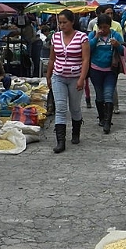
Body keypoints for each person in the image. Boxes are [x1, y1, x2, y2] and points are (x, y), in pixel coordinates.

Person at [46, 9, 90, 153]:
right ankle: (60, 141)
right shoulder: (55, 37)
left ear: (72, 22)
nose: (62, 25)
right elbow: (52, 58)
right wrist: (48, 75)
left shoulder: (82, 37)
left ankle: (76, 132)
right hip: (58, 76)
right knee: (60, 107)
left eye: (65, 22)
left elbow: (85, 60)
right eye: (60, 23)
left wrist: (82, 78)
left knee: (75, 108)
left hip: (75, 77)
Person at [88, 14, 124, 134]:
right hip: (95, 70)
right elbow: (87, 49)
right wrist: (95, 38)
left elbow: (124, 51)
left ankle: (108, 122)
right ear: (97, 26)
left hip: (110, 71)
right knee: (99, 95)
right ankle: (102, 118)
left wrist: (117, 45)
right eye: (101, 27)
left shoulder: (116, 35)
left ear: (110, 26)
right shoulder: (93, 35)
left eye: (106, 27)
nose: (104, 30)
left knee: (108, 94)